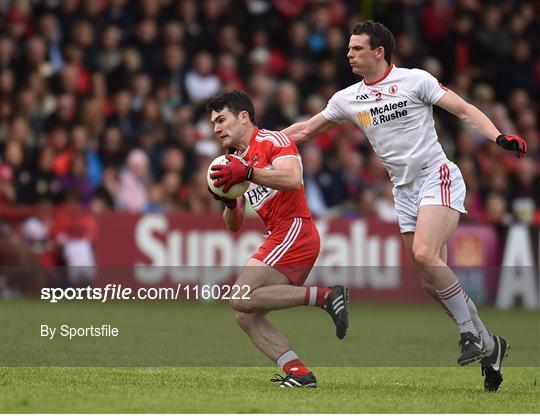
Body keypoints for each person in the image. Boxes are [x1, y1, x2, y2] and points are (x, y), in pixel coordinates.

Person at [282, 21, 527, 392]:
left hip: (437, 175)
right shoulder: (348, 98)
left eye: (356, 48)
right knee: (431, 281)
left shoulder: (416, 81)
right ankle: (491, 345)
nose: (348, 54)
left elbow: (462, 109)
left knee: (426, 254)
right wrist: (261, 144)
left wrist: (497, 136)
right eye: (348, 48)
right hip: (404, 192)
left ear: (378, 51)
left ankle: (468, 335)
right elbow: (304, 131)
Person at [206, 90, 349, 388]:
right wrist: (230, 200)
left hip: (295, 230)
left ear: (243, 116)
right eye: (213, 123)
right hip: (281, 234)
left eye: (221, 119)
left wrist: (247, 172)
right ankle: (299, 373)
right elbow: (234, 224)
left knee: (239, 297)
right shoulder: (235, 160)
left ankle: (325, 296)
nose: (216, 128)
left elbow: (292, 179)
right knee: (245, 316)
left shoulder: (273, 141)